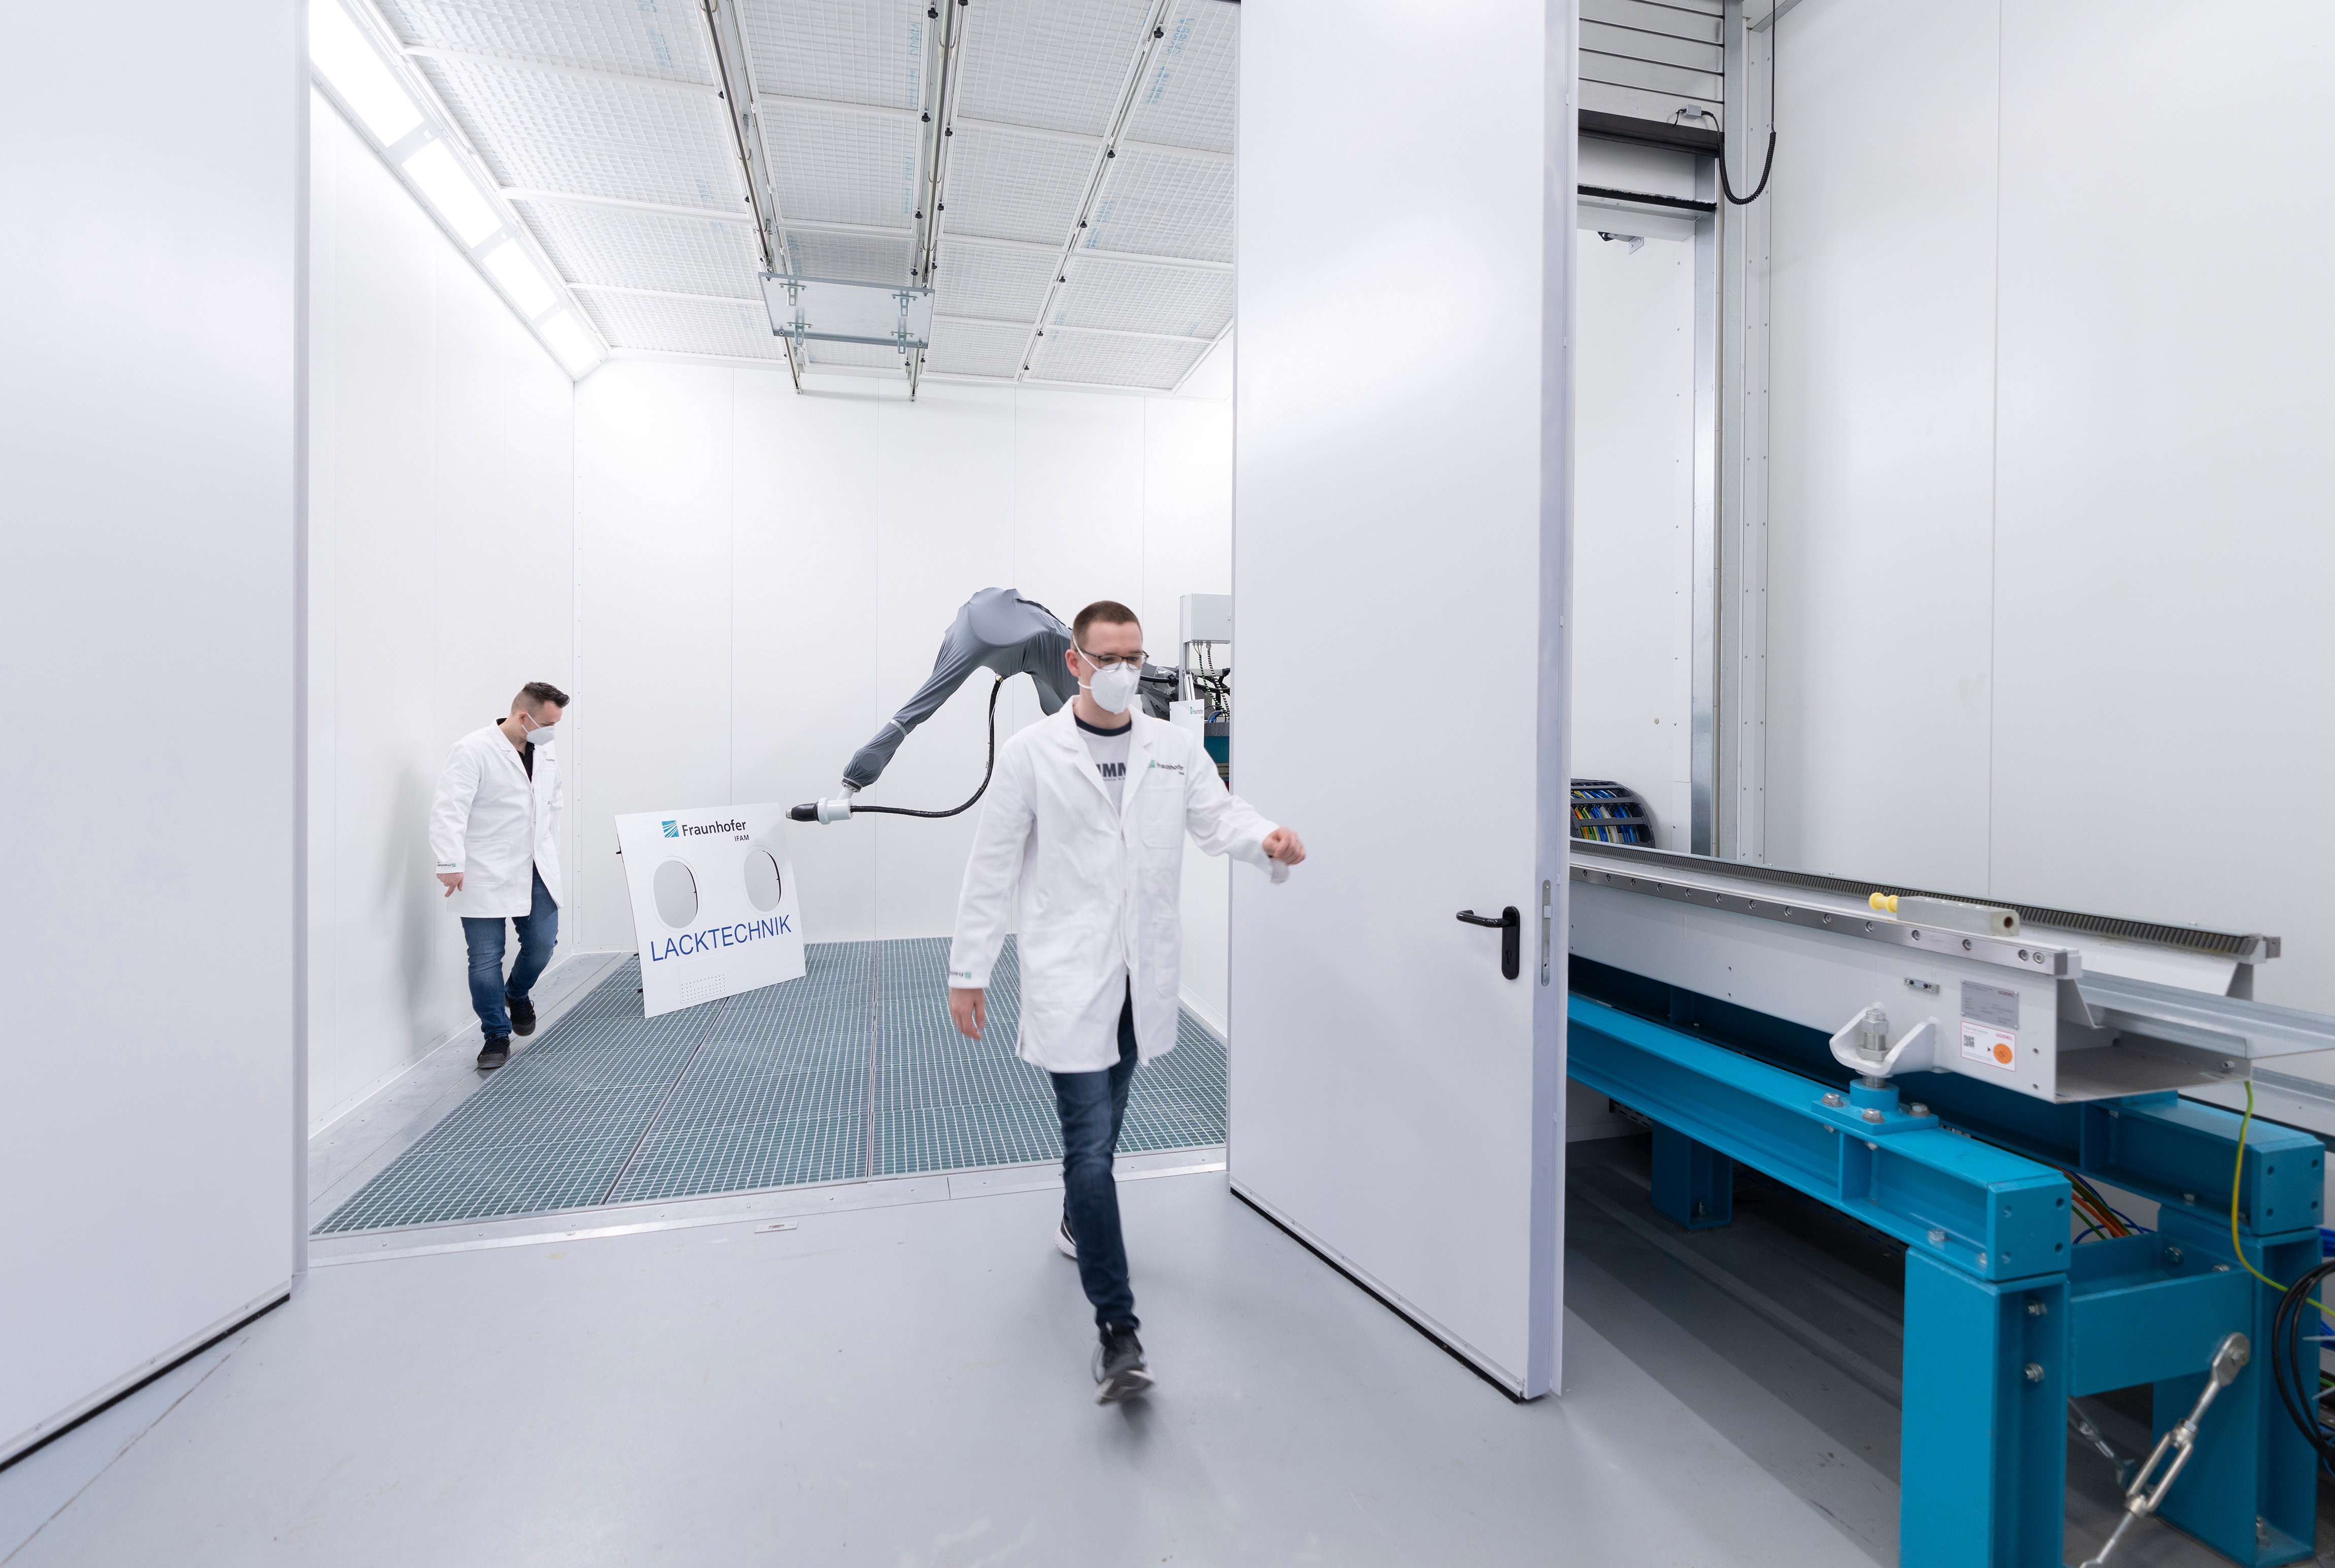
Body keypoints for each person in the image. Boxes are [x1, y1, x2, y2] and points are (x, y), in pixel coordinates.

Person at [947, 602, 1305, 1403]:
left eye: (1136, 657)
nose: (1124, 671)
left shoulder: (1174, 750)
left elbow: (1220, 821)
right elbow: (992, 865)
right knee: (1092, 1146)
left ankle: (1077, 1223)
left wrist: (1268, 839)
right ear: (1074, 663)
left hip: (1142, 977)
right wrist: (969, 970)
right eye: (1109, 657)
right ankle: (1119, 1332)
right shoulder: (1031, 754)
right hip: (1069, 974)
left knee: (1109, 1118)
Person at [429, 682, 569, 1070]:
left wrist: (551, 851)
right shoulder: (472, 750)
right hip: (483, 870)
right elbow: (448, 809)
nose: (553, 731)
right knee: (485, 957)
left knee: (542, 943)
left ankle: (518, 991)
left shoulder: (545, 749)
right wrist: (449, 863)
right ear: (524, 717)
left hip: (537, 865)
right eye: (548, 723)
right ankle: (495, 1033)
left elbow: (553, 802)